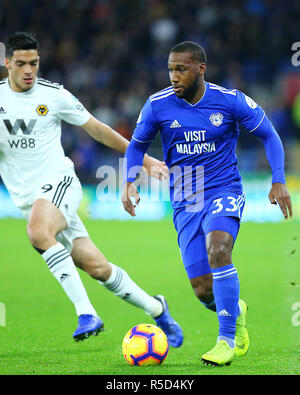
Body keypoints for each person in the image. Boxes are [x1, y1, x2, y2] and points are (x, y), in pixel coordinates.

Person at [0, 31, 183, 347]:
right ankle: (157, 308)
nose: (29, 70)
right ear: (7, 64)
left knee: (37, 232)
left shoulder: (54, 95)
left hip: (60, 183)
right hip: (30, 199)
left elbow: (97, 129)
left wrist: (144, 159)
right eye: (21, 64)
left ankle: (86, 313)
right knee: (97, 268)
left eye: (34, 63)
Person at [122, 41, 293, 366]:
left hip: (223, 189)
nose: (174, 76)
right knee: (202, 289)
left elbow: (269, 134)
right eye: (171, 69)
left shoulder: (229, 101)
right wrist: (129, 181)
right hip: (185, 199)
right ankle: (235, 309)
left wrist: (279, 178)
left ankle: (225, 340)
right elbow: (136, 145)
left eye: (181, 69)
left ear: (201, 69)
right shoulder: (157, 105)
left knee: (219, 249)